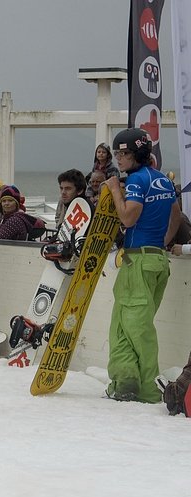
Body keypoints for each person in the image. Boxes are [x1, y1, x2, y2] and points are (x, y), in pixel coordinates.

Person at [104, 127, 181, 403]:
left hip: (137, 261)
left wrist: (114, 190)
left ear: (137, 154)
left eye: (123, 153)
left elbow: (127, 218)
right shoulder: (162, 180)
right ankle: (126, 381)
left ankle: (148, 389)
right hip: (157, 261)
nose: (119, 159)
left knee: (137, 329)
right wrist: (164, 241)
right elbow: (176, 215)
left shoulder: (136, 180)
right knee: (122, 325)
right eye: (116, 153)